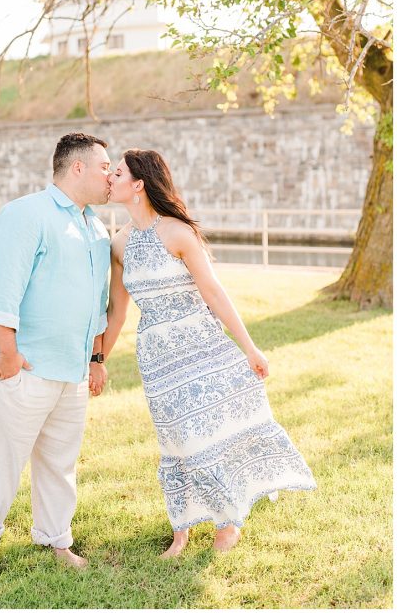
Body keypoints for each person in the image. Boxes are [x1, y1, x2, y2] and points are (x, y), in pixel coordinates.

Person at [103, 149, 316, 556]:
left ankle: (226, 521)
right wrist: (98, 361)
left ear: (139, 184)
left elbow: (214, 292)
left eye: (117, 173)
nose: (110, 178)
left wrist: (250, 348)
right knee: (175, 436)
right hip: (156, 354)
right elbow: (118, 311)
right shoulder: (118, 244)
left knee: (207, 432)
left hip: (201, 345)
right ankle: (181, 526)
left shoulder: (179, 232)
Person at [0, 132, 112, 572]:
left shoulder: (97, 229)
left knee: (60, 462)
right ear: (77, 167)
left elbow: (96, 302)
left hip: (73, 369)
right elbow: (2, 288)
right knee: (1, 457)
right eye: (105, 167)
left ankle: (57, 540)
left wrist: (95, 359)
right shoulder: (27, 213)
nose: (111, 175)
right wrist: (7, 355)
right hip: (25, 364)